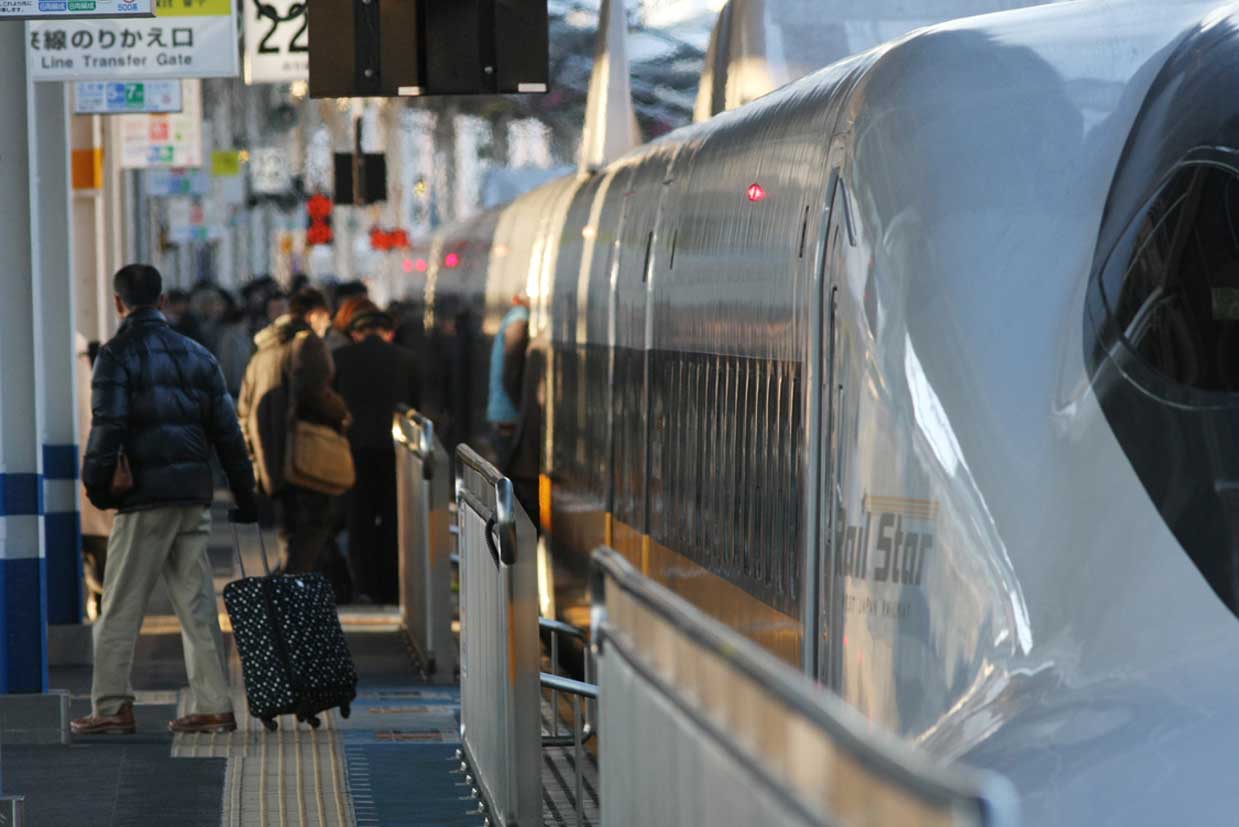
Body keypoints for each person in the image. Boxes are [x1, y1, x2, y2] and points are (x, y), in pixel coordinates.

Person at [73, 264, 258, 736]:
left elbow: (107, 429)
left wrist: (96, 489)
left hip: (144, 500)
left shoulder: (116, 355)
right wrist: (245, 491)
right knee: (196, 604)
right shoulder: (197, 354)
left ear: (119, 303)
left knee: (119, 605)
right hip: (191, 497)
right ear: (161, 301)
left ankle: (112, 706)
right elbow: (227, 431)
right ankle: (214, 702)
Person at [237, 287, 351, 575]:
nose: (326, 325)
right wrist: (342, 413)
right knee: (312, 530)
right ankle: (290, 598)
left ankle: (291, 598)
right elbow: (314, 392)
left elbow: (244, 409)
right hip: (304, 456)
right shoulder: (307, 343)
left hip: (271, 460)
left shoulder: (261, 354)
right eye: (325, 318)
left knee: (291, 533)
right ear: (314, 315)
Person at [332, 302, 419, 604]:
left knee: (360, 520)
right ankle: (392, 585)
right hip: (398, 454)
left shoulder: (339, 358)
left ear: (356, 333)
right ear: (389, 333)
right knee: (395, 519)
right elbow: (420, 410)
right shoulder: (408, 360)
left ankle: (365, 585)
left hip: (352, 452)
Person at [486, 294, 530, 469]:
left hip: (502, 416)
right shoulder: (519, 318)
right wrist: (521, 408)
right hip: (509, 417)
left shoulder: (511, 318)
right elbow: (511, 373)